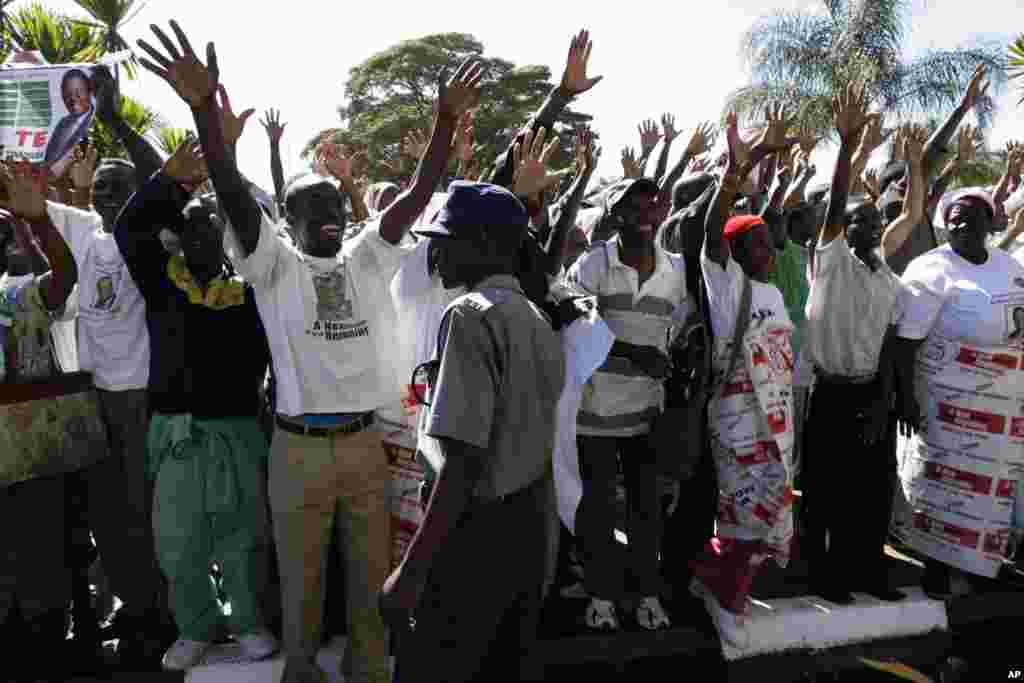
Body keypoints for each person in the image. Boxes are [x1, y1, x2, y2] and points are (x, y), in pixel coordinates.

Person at [136, 20, 482, 683]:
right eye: (308, 205)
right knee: (300, 575)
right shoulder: (274, 268)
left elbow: (412, 197)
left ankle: (368, 664)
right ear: (285, 225)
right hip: (295, 450)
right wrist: (204, 111)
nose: (326, 211)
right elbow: (233, 192)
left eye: (332, 202)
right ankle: (299, 667)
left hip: (362, 447)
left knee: (371, 573)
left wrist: (443, 122)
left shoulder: (365, 256)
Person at [380, 181, 565, 682]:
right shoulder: (535, 317)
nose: (434, 252)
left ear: (483, 244)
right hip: (527, 530)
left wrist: (412, 571)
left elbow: (463, 460)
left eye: (445, 239)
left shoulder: (469, 315)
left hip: (474, 536)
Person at [113, 139, 279, 671]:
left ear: (227, 237)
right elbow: (127, 231)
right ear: (179, 240)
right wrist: (169, 181)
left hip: (236, 432)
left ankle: (248, 623)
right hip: (178, 434)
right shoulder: (163, 283)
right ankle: (194, 627)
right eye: (192, 228)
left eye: (212, 226)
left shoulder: (255, 292)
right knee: (179, 543)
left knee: (242, 539)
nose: (203, 235)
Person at [47, 64, 174, 668]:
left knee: (149, 507)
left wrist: (119, 119)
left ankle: (162, 611)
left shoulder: (149, 236)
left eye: (115, 188)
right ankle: (133, 604)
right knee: (109, 512)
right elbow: (25, 199)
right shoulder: (80, 229)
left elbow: (159, 177)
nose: (104, 196)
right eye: (99, 188)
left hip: (143, 395)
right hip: (93, 396)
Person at [801, 85, 925, 605]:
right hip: (830, 394)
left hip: (870, 392)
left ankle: (866, 570)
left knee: (871, 492)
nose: (872, 227)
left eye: (875, 221)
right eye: (861, 221)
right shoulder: (828, 261)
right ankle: (824, 576)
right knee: (825, 493)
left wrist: (916, 165)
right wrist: (849, 146)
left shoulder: (880, 270)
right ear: (841, 229)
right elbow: (835, 201)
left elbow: (913, 216)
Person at [689, 106, 794, 650]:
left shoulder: (775, 294)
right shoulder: (725, 282)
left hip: (775, 423)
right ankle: (726, 596)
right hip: (735, 417)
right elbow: (712, 232)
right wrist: (731, 181)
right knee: (742, 509)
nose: (769, 250)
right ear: (736, 251)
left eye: (769, 243)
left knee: (770, 508)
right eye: (756, 242)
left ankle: (717, 580)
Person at [565, 175, 688, 631]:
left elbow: (680, 328)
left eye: (651, 207)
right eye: (632, 208)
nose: (643, 215)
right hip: (593, 413)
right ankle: (601, 596)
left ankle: (646, 594)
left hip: (647, 415)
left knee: (646, 510)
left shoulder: (674, 268)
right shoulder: (594, 263)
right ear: (615, 214)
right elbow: (577, 326)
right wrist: (634, 353)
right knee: (597, 509)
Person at [890, 186, 1024, 597]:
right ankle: (935, 566)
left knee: (991, 488)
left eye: (970, 214)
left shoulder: (1009, 265)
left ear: (990, 221)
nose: (959, 221)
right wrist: (907, 399)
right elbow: (904, 343)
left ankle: (984, 562)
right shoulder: (929, 270)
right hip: (945, 400)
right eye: (953, 215)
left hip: (1002, 401)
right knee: (944, 487)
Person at [0, 162, 97, 682]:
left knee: (47, 574)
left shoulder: (16, 294)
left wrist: (36, 221)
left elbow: (64, 278)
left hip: (34, 463)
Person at [43, 68, 97, 179]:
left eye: (79, 92)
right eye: (68, 94)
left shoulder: (97, 123)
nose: (73, 98)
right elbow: (49, 158)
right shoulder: (63, 123)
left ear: (90, 92)